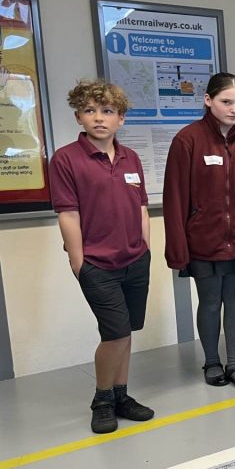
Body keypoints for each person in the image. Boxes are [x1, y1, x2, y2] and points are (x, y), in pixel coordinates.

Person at [163, 72, 235, 390]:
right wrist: (177, 247)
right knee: (210, 302)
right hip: (203, 241)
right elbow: (175, 198)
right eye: (226, 102)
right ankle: (212, 362)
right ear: (208, 100)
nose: (234, 109)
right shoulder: (187, 140)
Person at [49, 79, 155, 434]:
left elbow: (141, 207)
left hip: (135, 259)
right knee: (115, 333)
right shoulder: (66, 159)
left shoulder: (131, 158)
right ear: (78, 116)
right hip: (97, 264)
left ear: (120, 118)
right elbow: (68, 214)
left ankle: (121, 395)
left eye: (107, 111)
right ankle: (102, 400)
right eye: (90, 110)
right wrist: (79, 263)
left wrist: (146, 248)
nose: (99, 118)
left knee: (127, 331)